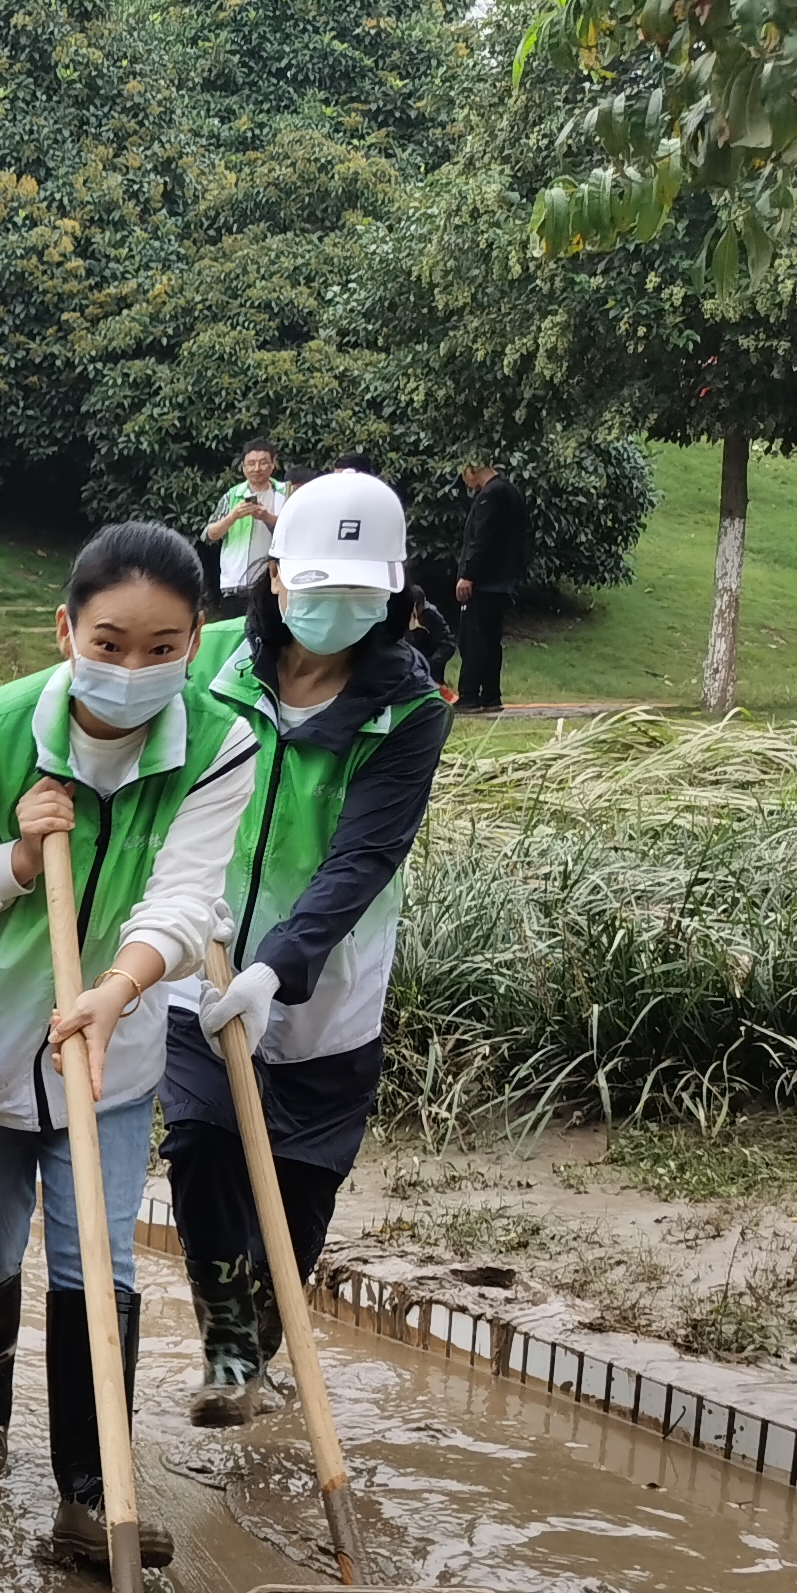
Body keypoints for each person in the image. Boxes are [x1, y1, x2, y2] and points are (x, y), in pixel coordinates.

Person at [0, 521, 254, 1569]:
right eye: (109, 642)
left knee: (96, 1264)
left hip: (111, 1049)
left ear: (196, 642)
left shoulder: (218, 742)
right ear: (66, 630)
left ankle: (92, 1498)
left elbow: (189, 900)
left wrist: (117, 989)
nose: (134, 668)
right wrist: (11, 858)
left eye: (162, 647)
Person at [165, 469, 449, 1421]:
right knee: (202, 1144)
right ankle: (230, 1351)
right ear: (276, 579)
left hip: (327, 980)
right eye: (320, 593)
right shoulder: (206, 663)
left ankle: (264, 1338)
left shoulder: (407, 710)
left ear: (393, 597)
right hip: (193, 953)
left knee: (297, 1188)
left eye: (360, 599)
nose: (335, 613)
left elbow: (363, 858)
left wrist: (276, 966)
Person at [453, 457, 529, 711]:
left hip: (484, 581)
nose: (464, 480)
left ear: (473, 469)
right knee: (490, 639)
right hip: (503, 580)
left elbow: (482, 538)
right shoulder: (512, 492)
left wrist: (468, 574)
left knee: (472, 639)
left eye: (464, 473)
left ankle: (470, 695)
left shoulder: (490, 495)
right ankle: (491, 694)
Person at [202, 442, 285, 618]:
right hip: (235, 585)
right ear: (243, 467)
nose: (257, 468)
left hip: (272, 585)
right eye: (251, 463)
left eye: (263, 462)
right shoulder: (232, 495)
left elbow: (296, 532)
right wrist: (234, 516)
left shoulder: (285, 493)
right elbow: (210, 535)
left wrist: (267, 517)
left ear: (273, 464)